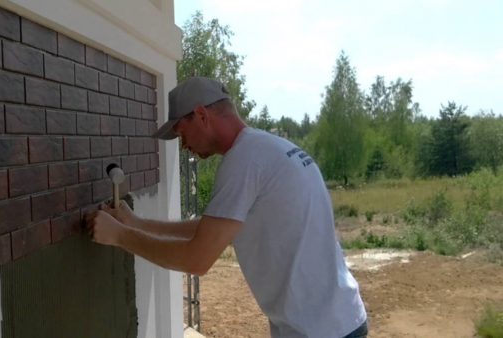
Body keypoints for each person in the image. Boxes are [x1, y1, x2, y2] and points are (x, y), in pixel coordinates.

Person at [87, 77, 368, 338]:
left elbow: (196, 259)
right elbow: (211, 229)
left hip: (318, 330)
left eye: (181, 133)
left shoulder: (243, 160)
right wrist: (136, 223)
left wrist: (119, 236)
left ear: (201, 115)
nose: (184, 146)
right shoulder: (271, 149)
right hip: (339, 320)